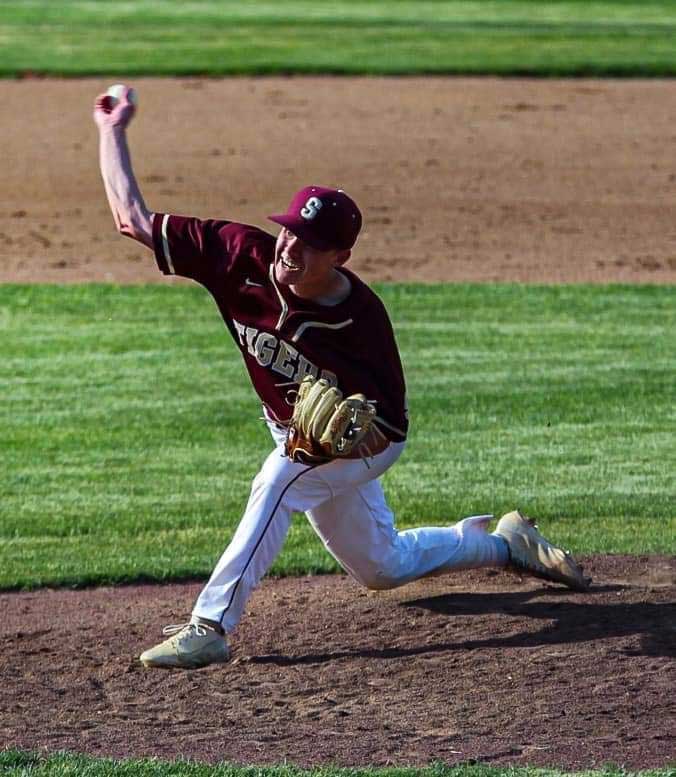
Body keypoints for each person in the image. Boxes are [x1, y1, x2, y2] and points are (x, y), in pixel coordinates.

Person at [93, 86, 590, 670]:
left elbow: (387, 427)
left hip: (365, 445)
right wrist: (112, 129)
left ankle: (210, 626)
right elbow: (132, 219)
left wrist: (345, 440)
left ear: (340, 256)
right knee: (382, 567)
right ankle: (505, 543)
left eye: (311, 243)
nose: (290, 246)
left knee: (277, 481)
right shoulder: (238, 255)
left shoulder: (363, 322)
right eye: (287, 231)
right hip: (296, 433)